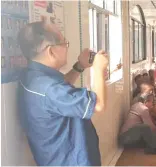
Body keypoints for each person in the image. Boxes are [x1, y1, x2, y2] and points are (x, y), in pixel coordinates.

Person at [17, 21, 108, 165]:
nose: (66, 47)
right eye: (64, 43)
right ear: (51, 51)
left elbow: (59, 92)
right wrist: (98, 69)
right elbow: (99, 105)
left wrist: (80, 66)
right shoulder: (49, 88)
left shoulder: (33, 76)